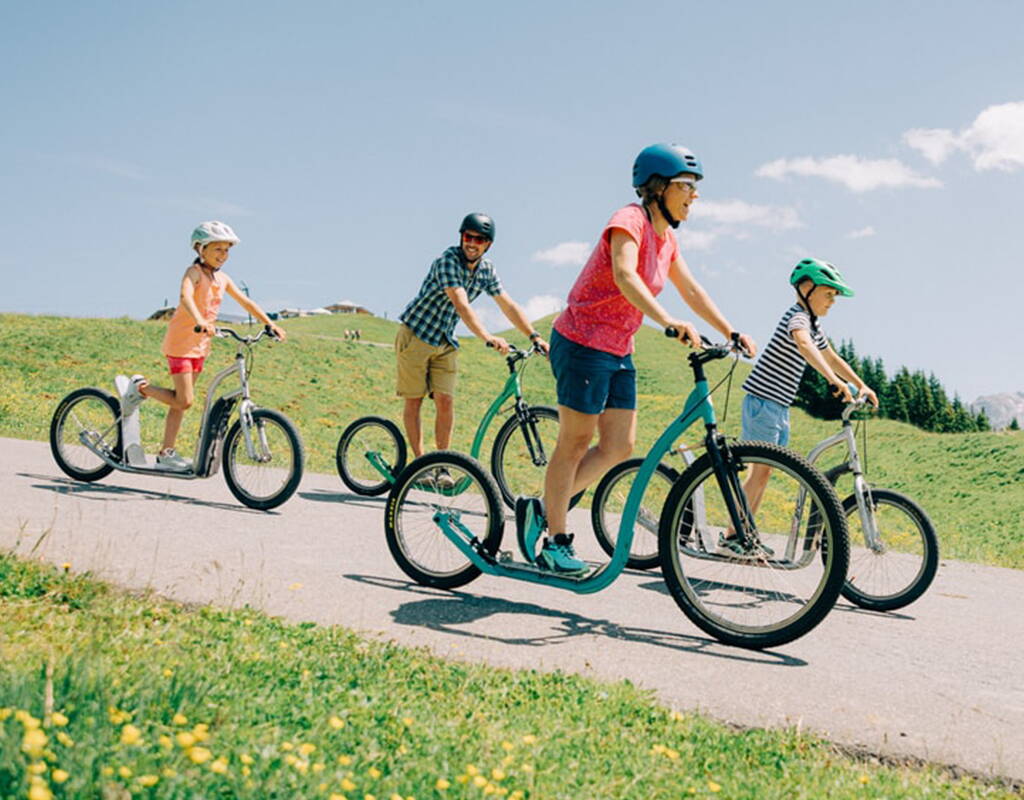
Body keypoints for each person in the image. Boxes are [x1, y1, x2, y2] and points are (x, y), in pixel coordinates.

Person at [517, 143, 757, 574]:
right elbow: (625, 274)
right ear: (658, 187)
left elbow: (692, 290)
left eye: (695, 187)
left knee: (618, 446)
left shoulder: (668, 240)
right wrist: (667, 321)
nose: (694, 195)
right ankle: (555, 539)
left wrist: (730, 330)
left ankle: (541, 509)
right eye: (686, 186)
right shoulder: (629, 220)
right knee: (573, 443)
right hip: (582, 341)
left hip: (618, 349)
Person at [725, 257, 878, 554]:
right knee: (759, 472)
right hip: (763, 401)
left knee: (764, 472)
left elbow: (831, 356)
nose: (832, 301)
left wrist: (860, 384)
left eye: (835, 296)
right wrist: (833, 381)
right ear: (806, 288)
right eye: (828, 293)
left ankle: (742, 535)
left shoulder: (813, 324)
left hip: (778, 406)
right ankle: (734, 536)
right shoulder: (797, 318)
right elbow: (804, 345)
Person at [118, 221, 286, 471]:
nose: (223, 255)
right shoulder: (193, 273)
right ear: (200, 249)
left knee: (179, 401)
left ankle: (166, 453)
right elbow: (185, 297)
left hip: (200, 345)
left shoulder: (222, 278)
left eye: (227, 250)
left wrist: (269, 323)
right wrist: (199, 320)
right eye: (218, 249)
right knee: (184, 401)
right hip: (181, 342)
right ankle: (140, 388)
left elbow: (246, 302)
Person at [395, 214, 549, 488]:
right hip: (416, 334)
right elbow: (461, 304)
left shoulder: (487, 270)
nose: (472, 244)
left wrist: (534, 336)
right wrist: (487, 336)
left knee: (445, 401)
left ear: (488, 245)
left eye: (479, 240)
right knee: (414, 400)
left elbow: (508, 304)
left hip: (444, 341)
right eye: (468, 237)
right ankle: (420, 465)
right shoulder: (447, 261)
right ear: (461, 237)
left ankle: (441, 466)